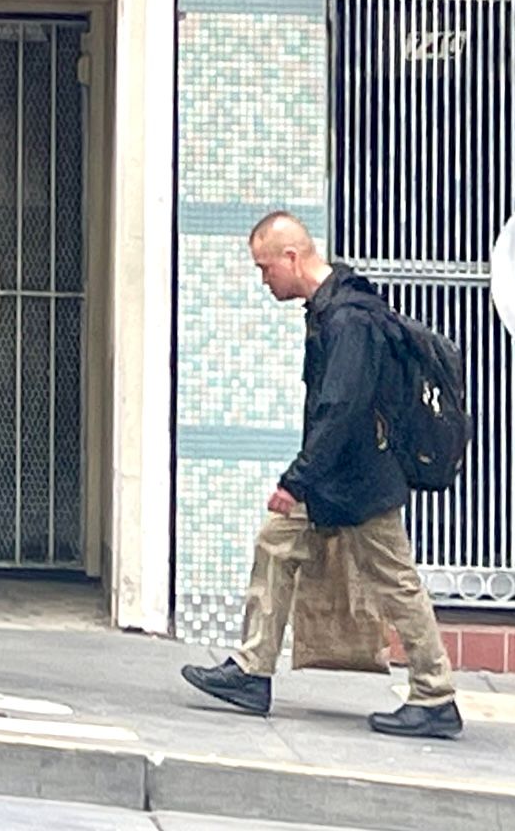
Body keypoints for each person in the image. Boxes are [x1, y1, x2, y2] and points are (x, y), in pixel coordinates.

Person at [179, 212, 464, 739]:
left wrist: (297, 480)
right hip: (339, 477)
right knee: (276, 544)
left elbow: (341, 408)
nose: (264, 281)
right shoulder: (332, 311)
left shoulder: (349, 320)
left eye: (266, 268)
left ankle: (435, 696)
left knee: (396, 583)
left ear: (292, 258)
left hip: (357, 481)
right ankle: (251, 671)